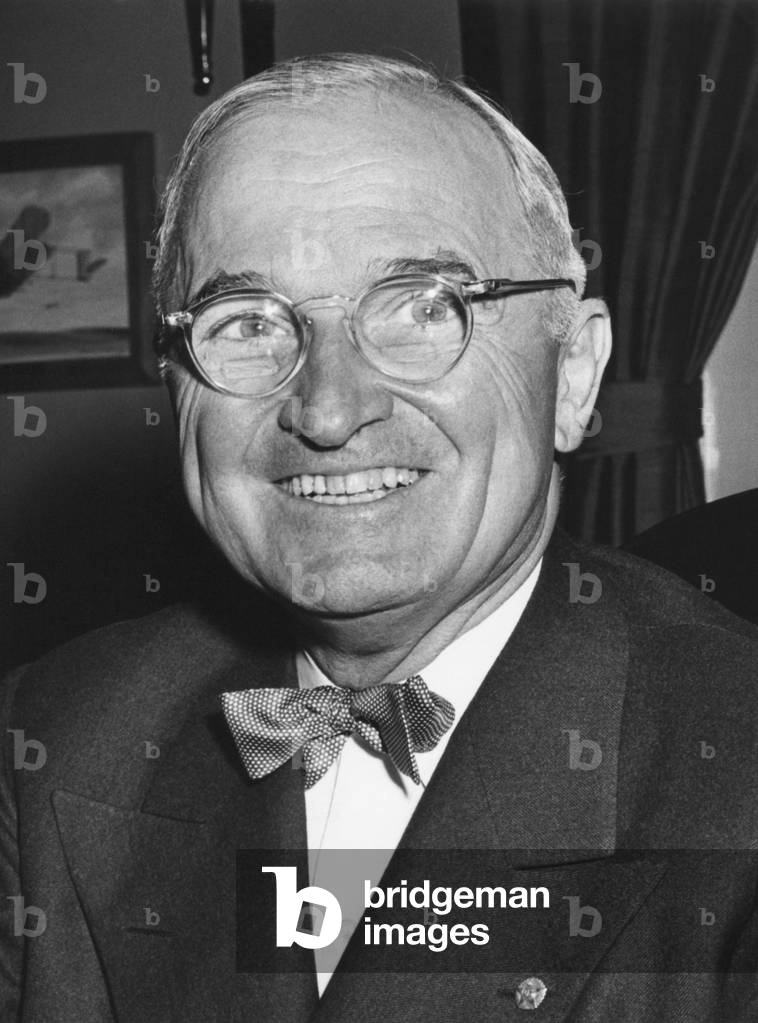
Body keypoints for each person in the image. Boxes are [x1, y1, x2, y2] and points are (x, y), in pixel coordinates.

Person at [1, 53, 756, 1023]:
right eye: (246, 323)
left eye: (419, 308)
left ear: (571, 374)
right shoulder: (58, 738)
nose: (325, 407)